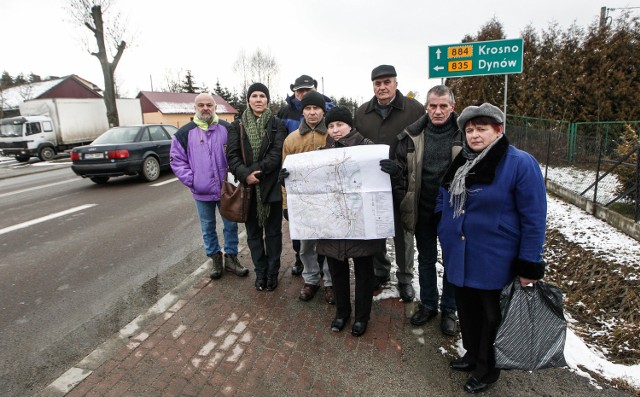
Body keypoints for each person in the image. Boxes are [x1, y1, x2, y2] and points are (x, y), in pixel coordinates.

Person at [436, 103, 547, 393]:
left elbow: (534, 217)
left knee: (491, 315)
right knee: (467, 308)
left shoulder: (520, 163)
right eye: (470, 130)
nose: (474, 135)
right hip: (460, 252)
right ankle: (473, 355)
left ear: (498, 130)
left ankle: (488, 369)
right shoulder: (463, 160)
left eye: (481, 129)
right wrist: (442, 225)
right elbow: (443, 195)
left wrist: (529, 264)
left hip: (495, 256)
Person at [389, 85, 461, 336]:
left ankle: (450, 309)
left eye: (443, 106)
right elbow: (401, 171)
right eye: (433, 106)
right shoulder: (412, 135)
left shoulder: (464, 134)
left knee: (452, 262)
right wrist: (402, 193)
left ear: (453, 107)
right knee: (426, 259)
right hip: (423, 208)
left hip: (454, 212)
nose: (438, 111)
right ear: (426, 107)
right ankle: (429, 303)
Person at [355, 64, 425, 302]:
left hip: (403, 182)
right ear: (373, 86)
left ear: (396, 83)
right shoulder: (362, 112)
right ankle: (381, 270)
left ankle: (405, 278)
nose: (382, 87)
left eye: (387, 82)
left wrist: (403, 168)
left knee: (403, 233)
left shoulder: (414, 108)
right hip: (372, 183)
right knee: (376, 231)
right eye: (378, 83)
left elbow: (421, 144)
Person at [316, 106, 385, 337]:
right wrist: (289, 179)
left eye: (340, 125)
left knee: (364, 271)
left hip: (360, 220)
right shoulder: (321, 153)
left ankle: (362, 317)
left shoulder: (368, 148)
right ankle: (342, 313)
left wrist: (392, 172)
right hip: (333, 222)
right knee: (337, 269)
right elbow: (311, 186)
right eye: (331, 126)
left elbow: (383, 182)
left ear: (350, 125)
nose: (335, 130)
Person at [170, 93, 248, 279]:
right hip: (201, 191)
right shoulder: (184, 133)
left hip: (226, 190)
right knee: (207, 227)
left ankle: (231, 258)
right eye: (201, 105)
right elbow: (177, 161)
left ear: (215, 107)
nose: (205, 108)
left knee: (230, 225)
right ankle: (215, 259)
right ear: (195, 108)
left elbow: (238, 155)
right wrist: (193, 181)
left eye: (209, 105)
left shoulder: (227, 129)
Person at [226, 83, 287, 291]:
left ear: (267, 100)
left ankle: (272, 273)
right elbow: (232, 156)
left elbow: (277, 154)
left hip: (271, 187)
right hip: (248, 191)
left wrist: (255, 173)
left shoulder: (277, 124)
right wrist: (245, 175)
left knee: (273, 234)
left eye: (262, 95)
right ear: (248, 100)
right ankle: (260, 273)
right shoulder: (237, 126)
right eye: (254, 96)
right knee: (253, 235)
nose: (258, 99)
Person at [279, 91, 334, 304]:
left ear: (323, 111)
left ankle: (329, 282)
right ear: (303, 112)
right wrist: (286, 203)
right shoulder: (292, 140)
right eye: (308, 109)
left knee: (329, 244)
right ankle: (311, 279)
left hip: (329, 201)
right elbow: (285, 174)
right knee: (307, 245)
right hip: (303, 203)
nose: (312, 113)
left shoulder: (331, 134)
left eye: (316, 109)